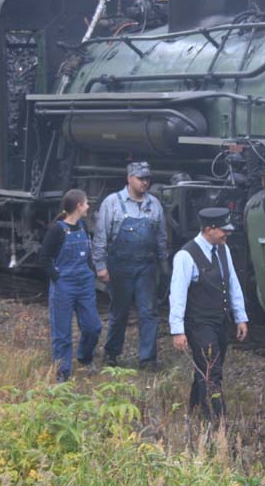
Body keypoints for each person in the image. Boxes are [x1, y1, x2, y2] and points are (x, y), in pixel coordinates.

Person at [169, 207, 249, 418]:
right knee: (211, 370)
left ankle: (194, 407)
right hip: (199, 323)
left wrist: (240, 317)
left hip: (220, 321)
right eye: (223, 230)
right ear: (208, 229)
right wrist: (177, 330)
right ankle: (215, 418)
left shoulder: (223, 249)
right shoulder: (185, 256)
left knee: (208, 366)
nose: (227, 234)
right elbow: (177, 295)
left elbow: (232, 283)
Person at [93, 161, 169, 369]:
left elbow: (161, 237)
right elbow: (100, 236)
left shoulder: (154, 204)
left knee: (149, 312)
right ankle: (111, 354)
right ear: (129, 179)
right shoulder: (112, 202)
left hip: (146, 266)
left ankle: (148, 359)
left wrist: (164, 264)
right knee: (119, 312)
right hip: (120, 266)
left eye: (147, 179)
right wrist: (100, 266)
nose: (145, 182)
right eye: (141, 178)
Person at [39, 189, 102, 382]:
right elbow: (44, 257)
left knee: (93, 327)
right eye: (86, 203)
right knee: (62, 333)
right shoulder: (57, 230)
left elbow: (88, 254)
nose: (88, 207)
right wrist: (57, 277)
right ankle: (62, 373)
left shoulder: (83, 226)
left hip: (85, 284)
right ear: (78, 206)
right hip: (64, 285)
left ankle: (84, 356)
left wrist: (91, 271)